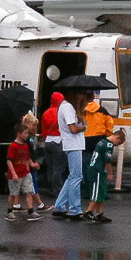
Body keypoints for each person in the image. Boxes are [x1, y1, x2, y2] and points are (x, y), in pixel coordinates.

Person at [51, 89, 87, 220]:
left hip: (72, 144)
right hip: (73, 144)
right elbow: (73, 129)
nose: (82, 96)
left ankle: (60, 206)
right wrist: (83, 126)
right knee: (77, 176)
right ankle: (75, 209)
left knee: (72, 177)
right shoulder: (68, 107)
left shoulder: (67, 107)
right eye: (80, 93)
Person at [84, 128, 125, 223]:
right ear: (117, 137)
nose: (116, 145)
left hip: (97, 169)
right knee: (97, 191)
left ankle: (99, 213)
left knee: (102, 191)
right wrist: (110, 173)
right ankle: (88, 211)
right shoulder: (108, 145)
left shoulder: (101, 141)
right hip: (97, 169)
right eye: (118, 143)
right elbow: (107, 161)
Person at [4, 122, 42, 222]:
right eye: (25, 133)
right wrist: (14, 174)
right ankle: (9, 211)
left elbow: (27, 158)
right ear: (18, 133)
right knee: (13, 193)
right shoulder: (13, 146)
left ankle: (30, 211)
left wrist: (32, 164)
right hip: (16, 175)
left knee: (29, 191)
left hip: (25, 173)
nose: (27, 135)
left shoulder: (25, 145)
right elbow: (9, 161)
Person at [81, 96, 115, 200]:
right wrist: (107, 135)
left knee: (87, 168)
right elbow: (110, 124)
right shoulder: (102, 110)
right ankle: (102, 192)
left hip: (85, 140)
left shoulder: (81, 110)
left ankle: (89, 191)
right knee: (101, 167)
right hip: (99, 139)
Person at [40, 92, 66, 196]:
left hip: (48, 141)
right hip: (58, 141)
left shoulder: (46, 112)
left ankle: (51, 187)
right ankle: (58, 190)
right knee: (58, 168)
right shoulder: (61, 112)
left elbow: (43, 129)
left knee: (50, 167)